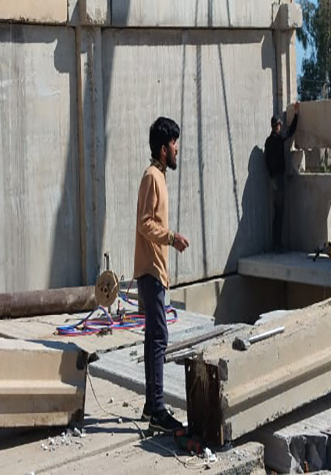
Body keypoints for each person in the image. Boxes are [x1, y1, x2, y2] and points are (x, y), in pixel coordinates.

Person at [135, 116, 190, 434]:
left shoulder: (158, 176)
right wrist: (171, 237)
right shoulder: (152, 177)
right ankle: (157, 409)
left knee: (153, 337)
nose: (177, 148)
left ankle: (149, 405)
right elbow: (144, 223)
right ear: (163, 147)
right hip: (151, 269)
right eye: (174, 144)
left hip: (155, 269)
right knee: (159, 339)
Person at [264, 102, 299, 251]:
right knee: (279, 212)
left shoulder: (268, 141)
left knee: (276, 212)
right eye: (280, 124)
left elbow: (266, 161)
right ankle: (277, 244)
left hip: (272, 179)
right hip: (278, 178)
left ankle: (275, 243)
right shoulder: (278, 139)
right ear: (277, 125)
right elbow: (291, 132)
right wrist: (296, 114)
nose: (281, 127)